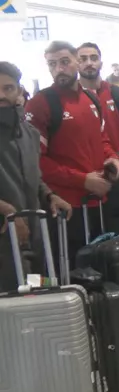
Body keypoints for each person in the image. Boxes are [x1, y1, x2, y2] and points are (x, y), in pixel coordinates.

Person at [25, 41, 119, 271]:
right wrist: (82, 180)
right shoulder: (40, 104)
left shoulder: (91, 99)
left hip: (98, 204)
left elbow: (103, 140)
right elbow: (36, 161)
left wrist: (113, 159)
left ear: (77, 62)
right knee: (71, 276)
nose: (59, 68)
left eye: (64, 62)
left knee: (102, 272)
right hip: (65, 209)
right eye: (52, 64)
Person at [0, 62, 73, 291]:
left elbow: (33, 175)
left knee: (35, 292)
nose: (1, 95)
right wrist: (7, 211)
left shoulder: (28, 133)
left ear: (20, 91)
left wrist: (50, 195)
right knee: (9, 303)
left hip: (33, 234)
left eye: (8, 88)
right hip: (4, 237)